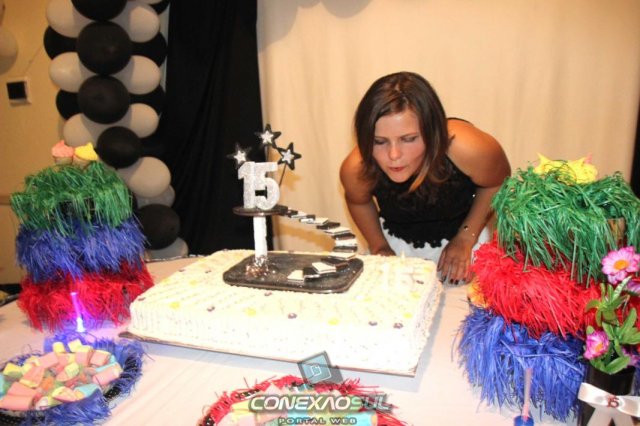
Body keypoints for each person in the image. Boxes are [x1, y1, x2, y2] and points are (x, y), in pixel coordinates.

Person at [340, 71, 511, 284]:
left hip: (468, 237)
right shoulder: (356, 167)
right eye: (379, 142)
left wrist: (466, 237)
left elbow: (498, 183)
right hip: (397, 244)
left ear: (433, 131)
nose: (394, 155)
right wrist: (379, 246)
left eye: (408, 139)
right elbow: (358, 200)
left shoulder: (468, 147)